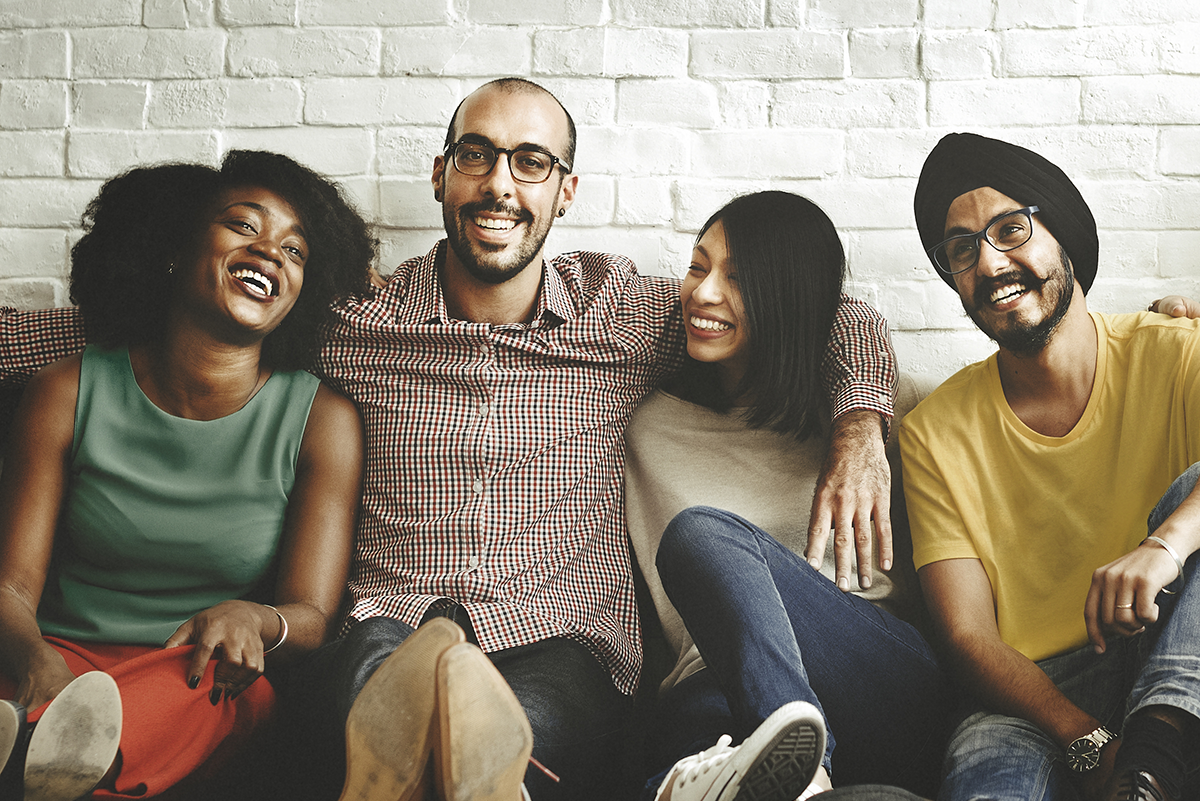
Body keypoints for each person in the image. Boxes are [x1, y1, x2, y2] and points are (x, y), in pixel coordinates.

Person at [0, 78, 898, 801]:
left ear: (566, 191)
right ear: (441, 176)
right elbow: (144, 330)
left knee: (516, 735)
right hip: (385, 622)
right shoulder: (359, 316)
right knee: (382, 704)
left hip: (560, 637)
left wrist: (860, 422)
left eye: (531, 162)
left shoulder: (619, 312)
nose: (500, 183)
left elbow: (830, 315)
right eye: (478, 155)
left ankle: (472, 749)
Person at [0, 150, 370, 799]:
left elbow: (312, 616)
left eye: (295, 250)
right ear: (174, 248)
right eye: (243, 226)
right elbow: (12, 587)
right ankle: (42, 748)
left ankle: (43, 756)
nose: (270, 253)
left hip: (199, 676)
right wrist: (35, 663)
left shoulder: (321, 418)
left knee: (194, 701)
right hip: (56, 661)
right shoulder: (66, 389)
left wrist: (254, 619)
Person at [625, 192, 954, 801]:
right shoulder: (646, 427)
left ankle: (808, 766)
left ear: (791, 296)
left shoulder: (880, 408)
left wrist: (1170, 323)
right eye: (698, 267)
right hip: (715, 685)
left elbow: (1008, 399)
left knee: (703, 536)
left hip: (876, 674)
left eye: (739, 279)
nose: (703, 293)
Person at [900, 133, 1200, 801]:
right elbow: (969, 635)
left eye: (1010, 229)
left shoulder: (1175, 355)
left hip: (1174, 650)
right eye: (961, 250)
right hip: (1029, 698)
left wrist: (1164, 546)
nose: (989, 262)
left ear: (1061, 234)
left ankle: (1156, 752)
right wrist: (1089, 740)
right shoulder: (933, 433)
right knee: (985, 775)